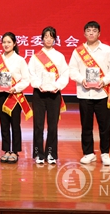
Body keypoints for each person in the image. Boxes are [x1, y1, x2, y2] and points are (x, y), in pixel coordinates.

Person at [69, 21, 110, 166]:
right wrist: (81, 79)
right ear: (84, 33)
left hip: (102, 93)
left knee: (105, 126)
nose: (91, 33)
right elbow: (72, 70)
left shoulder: (107, 50)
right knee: (86, 126)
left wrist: (104, 81)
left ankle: (105, 153)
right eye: (88, 30)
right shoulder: (78, 52)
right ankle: (88, 153)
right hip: (84, 93)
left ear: (99, 33)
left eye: (94, 30)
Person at [28, 26, 69, 165]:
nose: (48, 39)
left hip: (54, 94)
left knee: (53, 125)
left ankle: (51, 153)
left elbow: (65, 74)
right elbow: (31, 73)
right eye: (46, 37)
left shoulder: (60, 56)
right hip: (39, 94)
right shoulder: (35, 57)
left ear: (55, 39)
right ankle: (39, 153)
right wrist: (38, 84)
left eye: (51, 37)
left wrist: (57, 86)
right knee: (38, 125)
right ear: (42, 39)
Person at [0, 32, 32, 164]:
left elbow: (26, 79)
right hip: (1, 95)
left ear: (14, 44)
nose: (6, 44)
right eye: (4, 42)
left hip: (14, 95)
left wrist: (15, 88)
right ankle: (6, 150)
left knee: (15, 124)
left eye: (9, 42)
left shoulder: (20, 60)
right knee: (4, 124)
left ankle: (15, 151)